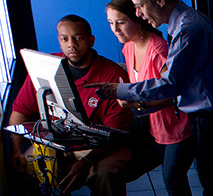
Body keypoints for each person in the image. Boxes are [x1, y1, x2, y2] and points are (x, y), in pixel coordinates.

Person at [85, 0, 213, 196]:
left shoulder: (188, 30)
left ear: (158, 0)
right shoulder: (183, 23)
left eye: (139, 6)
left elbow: (169, 85)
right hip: (205, 118)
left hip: (211, 119)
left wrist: (119, 90)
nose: (138, 14)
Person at [9, 14, 134, 196]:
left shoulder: (112, 76)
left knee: (105, 173)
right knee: (24, 168)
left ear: (91, 40)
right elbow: (21, 110)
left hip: (99, 146)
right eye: (65, 39)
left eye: (78, 38)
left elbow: (115, 135)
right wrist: (15, 151)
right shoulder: (46, 66)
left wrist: (86, 162)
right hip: (58, 141)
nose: (71, 45)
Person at [106, 0, 194, 195]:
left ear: (137, 18)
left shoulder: (159, 51)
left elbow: (173, 93)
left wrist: (138, 104)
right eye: (111, 22)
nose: (115, 29)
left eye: (121, 22)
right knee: (173, 178)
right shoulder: (128, 46)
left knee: (172, 179)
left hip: (178, 125)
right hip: (157, 125)